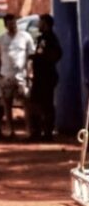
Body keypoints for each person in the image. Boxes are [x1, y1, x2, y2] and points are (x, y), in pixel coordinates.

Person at [0, 14, 35, 137]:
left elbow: (31, 56)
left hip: (21, 76)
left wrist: (29, 72)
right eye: (9, 24)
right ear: (5, 25)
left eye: (13, 23)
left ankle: (29, 130)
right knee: (7, 104)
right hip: (6, 75)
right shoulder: (1, 39)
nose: (12, 26)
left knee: (26, 103)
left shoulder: (25, 37)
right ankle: (10, 130)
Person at [28, 14, 62, 142]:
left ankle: (45, 133)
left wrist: (40, 59)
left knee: (44, 105)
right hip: (41, 77)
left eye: (40, 22)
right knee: (38, 104)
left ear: (45, 24)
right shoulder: (43, 38)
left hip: (46, 77)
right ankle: (39, 132)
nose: (38, 25)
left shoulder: (50, 38)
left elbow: (56, 54)